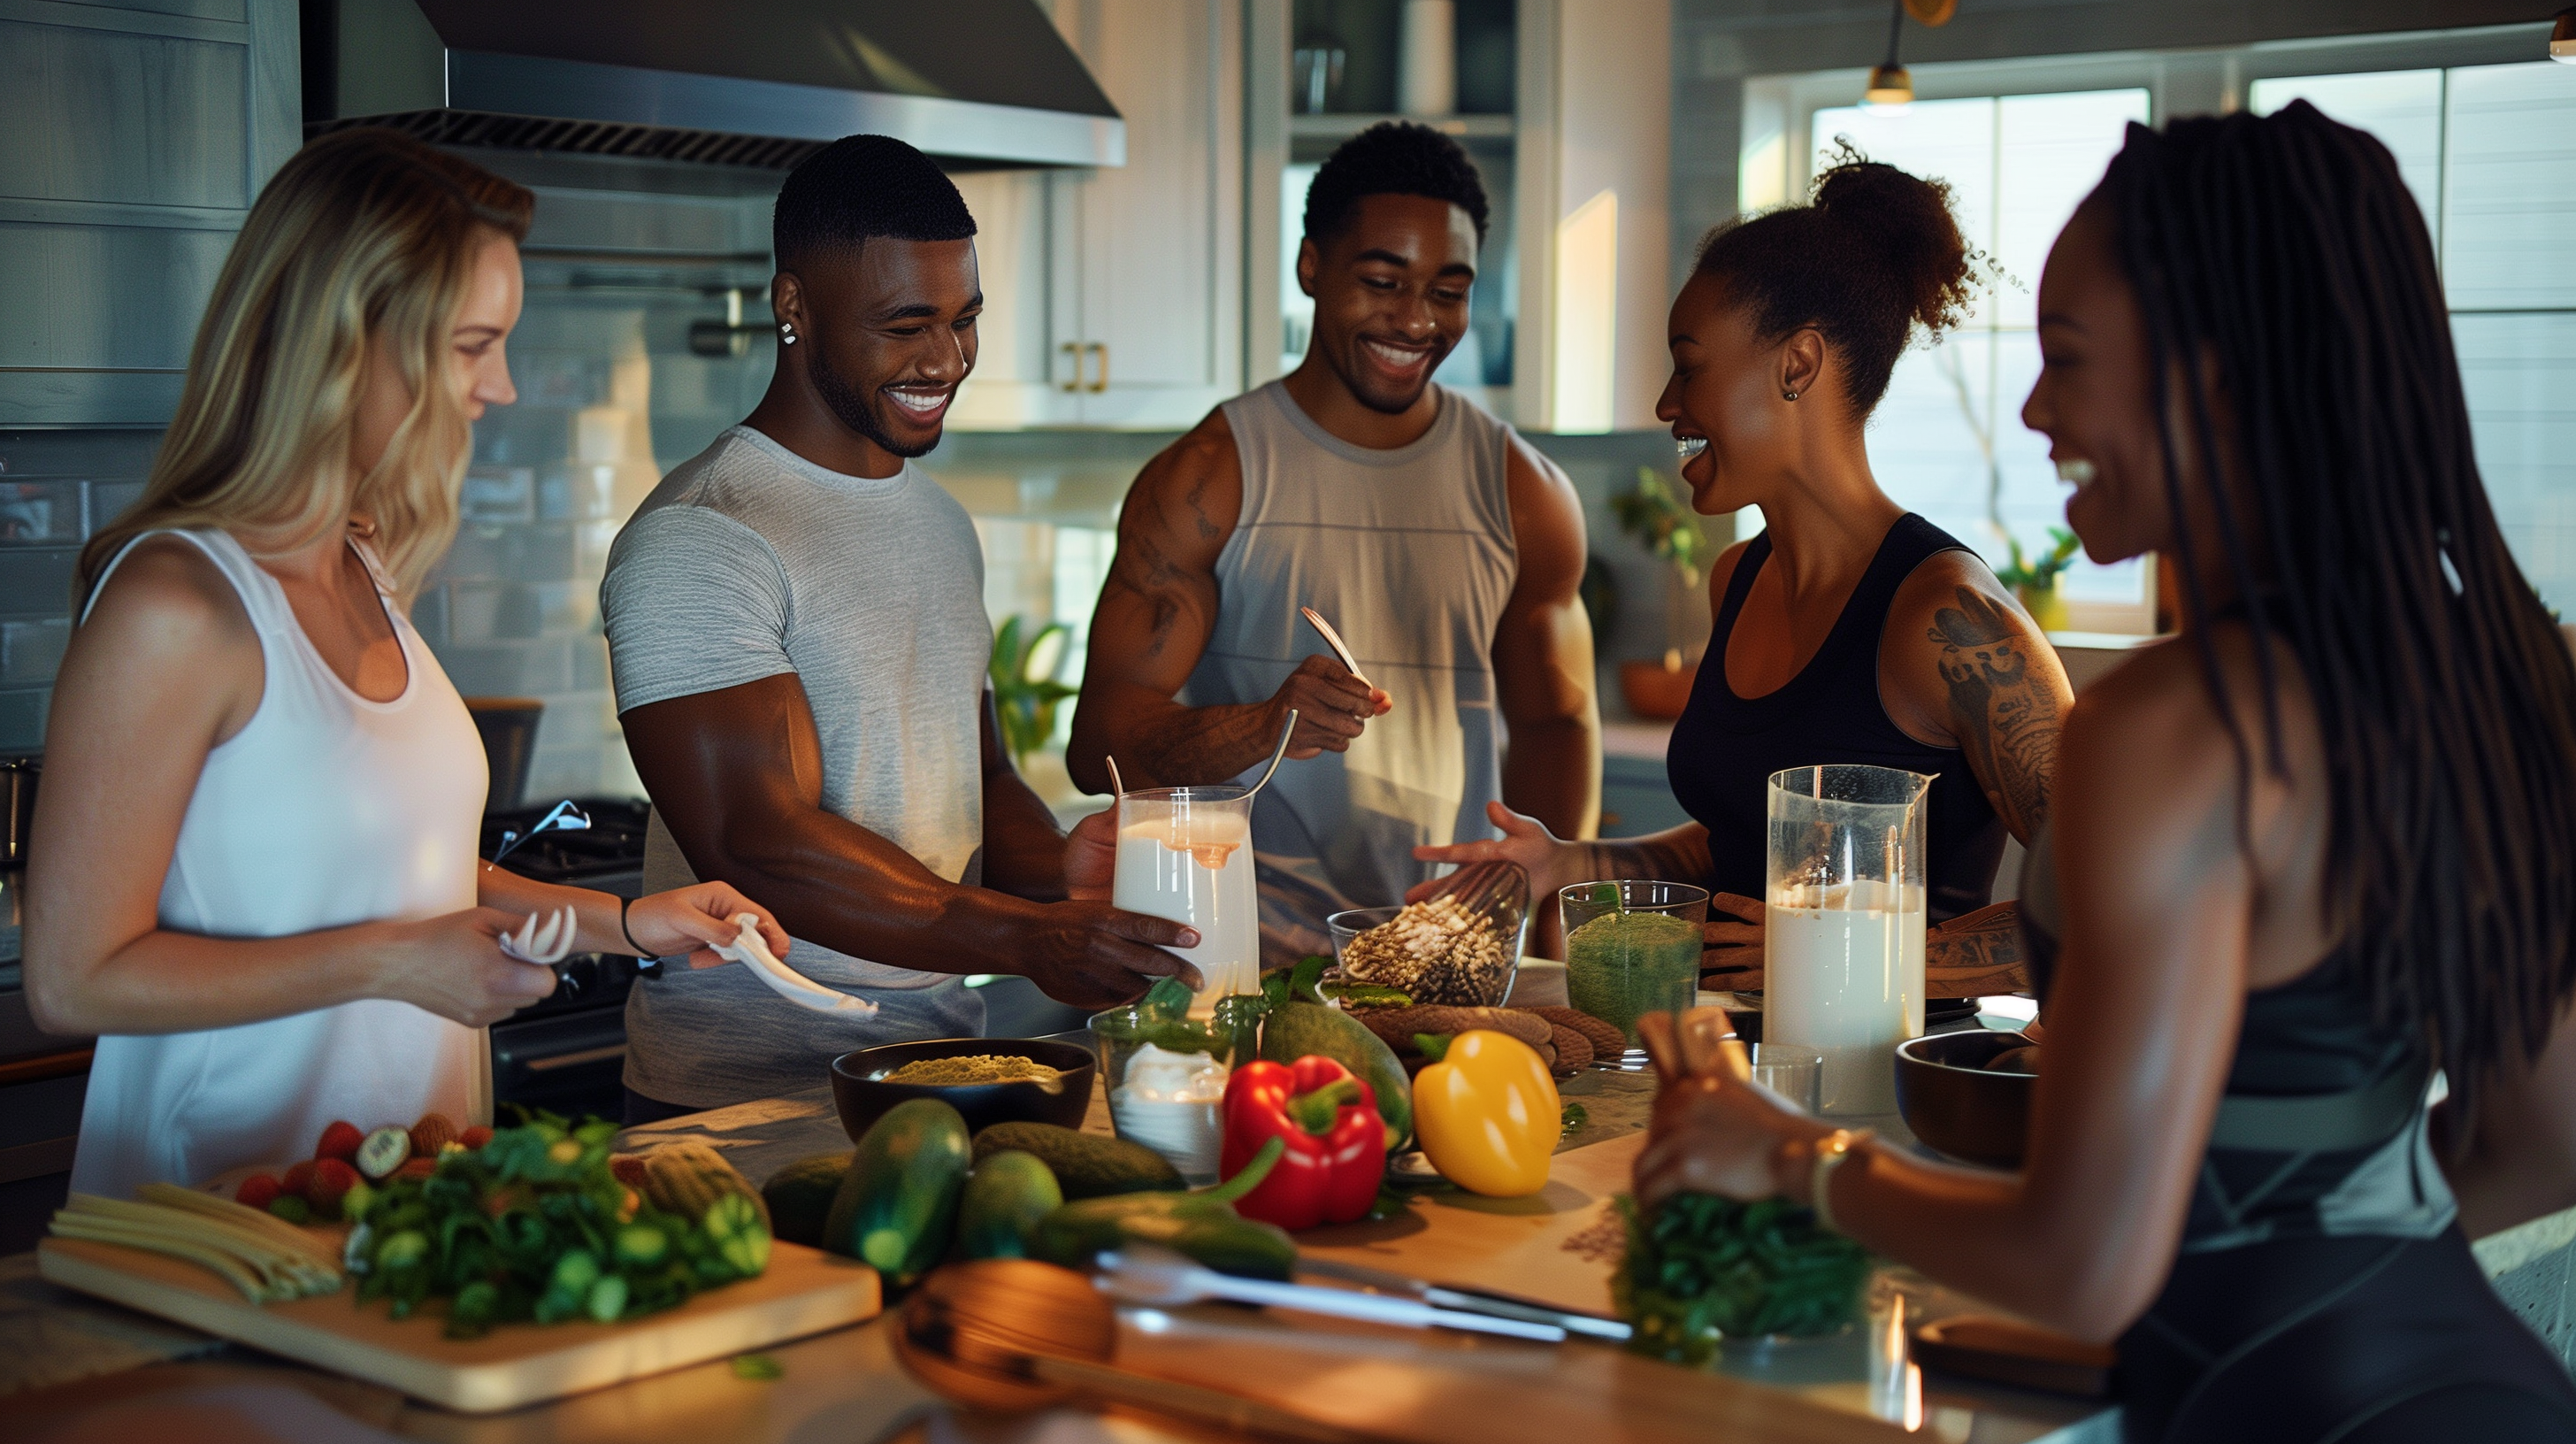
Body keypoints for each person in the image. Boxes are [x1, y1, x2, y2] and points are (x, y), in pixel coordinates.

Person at [1637, 104, 2576, 1442]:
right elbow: (2547, 1139)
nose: (2033, 408)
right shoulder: (2492, 672)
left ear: (2216, 373)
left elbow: (2086, 1262)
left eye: (2068, 361)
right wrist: (2284, 1247)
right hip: (2471, 1393)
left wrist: (1784, 1155)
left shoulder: (2170, 730)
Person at [23, 129, 785, 1202]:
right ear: (349, 342)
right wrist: (391, 964)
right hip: (222, 1209)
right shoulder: (177, 604)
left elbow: (401, 879)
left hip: (410, 1187)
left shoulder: (363, 564)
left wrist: (626, 926)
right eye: (474, 344)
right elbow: (73, 977)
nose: (503, 386)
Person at [603, 135, 1200, 1120]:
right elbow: (757, 845)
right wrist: (1020, 938)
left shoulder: (939, 522)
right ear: (792, 306)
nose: (946, 359)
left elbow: (985, 779)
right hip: (737, 1101)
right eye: (905, 324)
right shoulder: (704, 534)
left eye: (965, 319)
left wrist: (1054, 873)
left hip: (937, 1071)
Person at [1422, 153, 2072, 996]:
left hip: (1890, 1095)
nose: (1665, 402)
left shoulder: (1949, 619)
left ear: (1797, 364)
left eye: (1688, 365)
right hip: (1736, 1067)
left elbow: (2108, 901)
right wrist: (1572, 858)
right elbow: (1734, 846)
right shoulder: (1738, 578)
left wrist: (1847, 951)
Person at [1067, 121, 1598, 966]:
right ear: (1311, 266)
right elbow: (1100, 745)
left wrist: (1533, 914)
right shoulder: (1209, 476)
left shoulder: (1524, 490)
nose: (1417, 320)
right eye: (1383, 281)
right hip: (1246, 957)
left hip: (1448, 959)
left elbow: (1555, 723)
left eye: (1448, 290)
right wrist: (1265, 725)